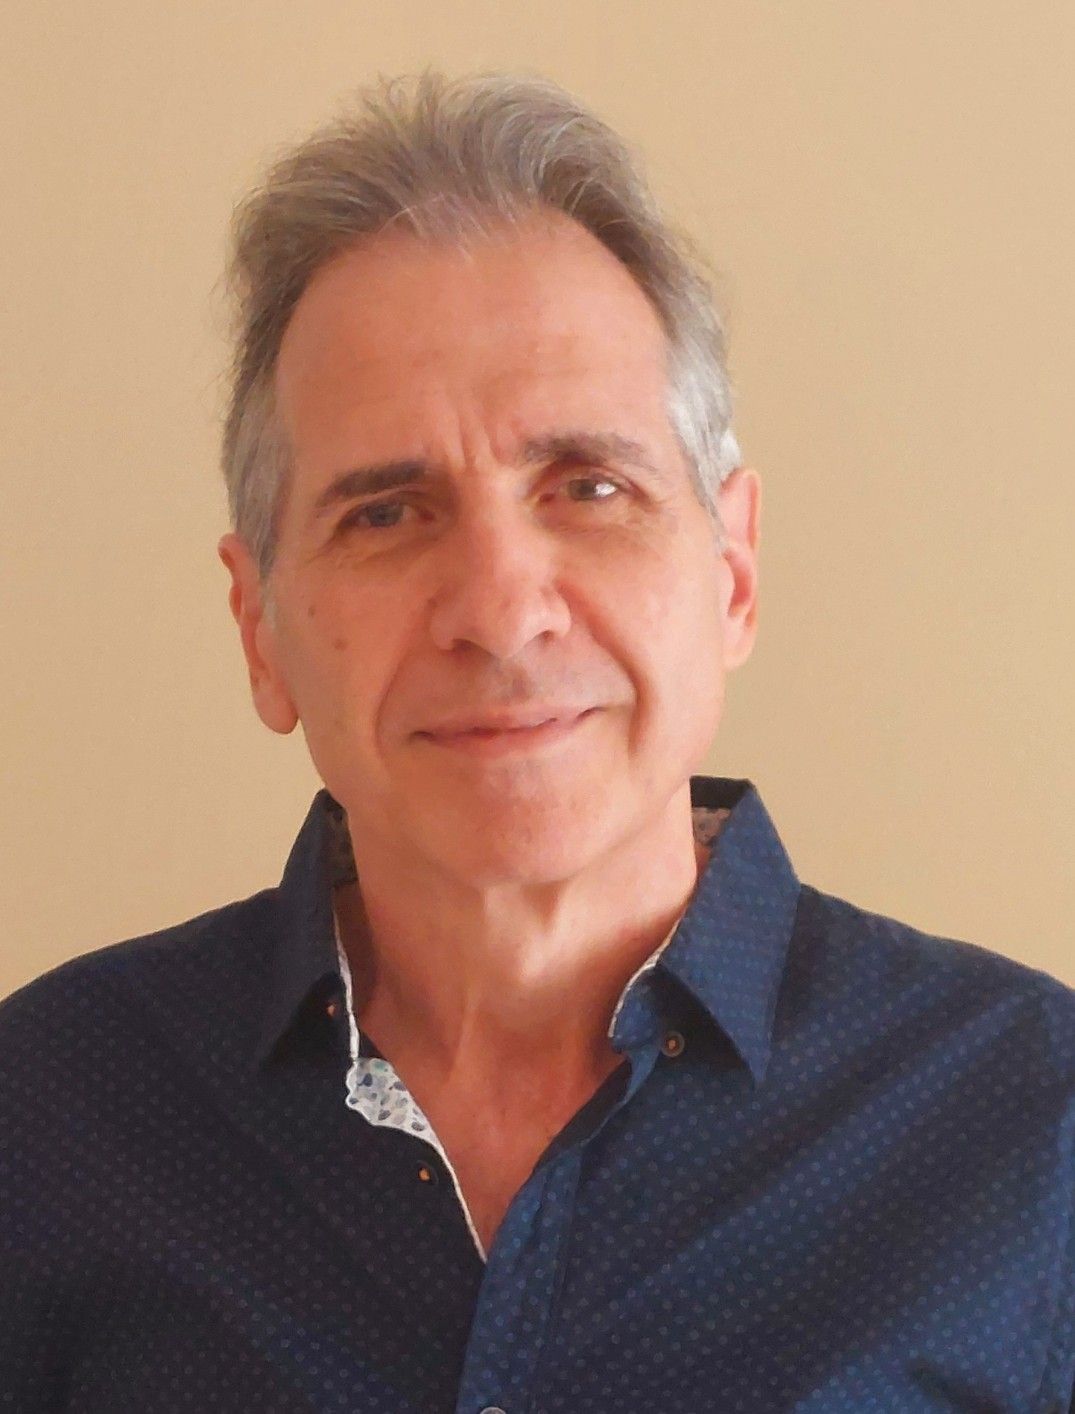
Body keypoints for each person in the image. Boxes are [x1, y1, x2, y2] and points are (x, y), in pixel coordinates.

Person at [2, 69, 1073, 1413]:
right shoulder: (47, 1119)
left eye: (591, 486)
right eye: (386, 513)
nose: (504, 611)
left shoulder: (1036, 1127)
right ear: (259, 626)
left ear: (733, 573)